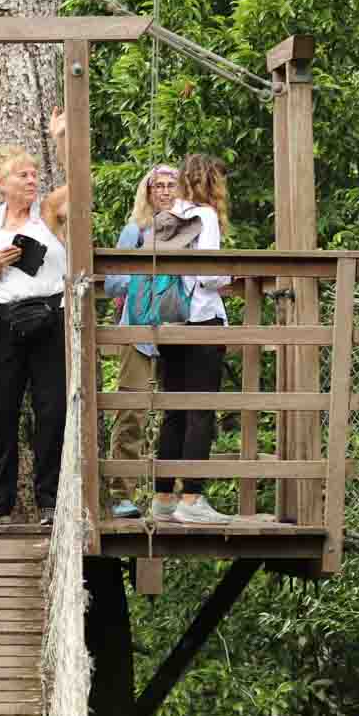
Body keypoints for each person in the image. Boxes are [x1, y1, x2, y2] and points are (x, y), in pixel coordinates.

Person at [0, 109, 70, 526]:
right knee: (1, 408)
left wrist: (61, 138)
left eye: (33, 174)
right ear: (2, 183)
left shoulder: (48, 213)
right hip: (6, 320)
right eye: (22, 175)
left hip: (50, 318)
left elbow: (83, 186)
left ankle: (49, 501)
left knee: (51, 410)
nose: (30, 180)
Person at [154, 152, 232, 524]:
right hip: (201, 319)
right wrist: (230, 277)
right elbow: (208, 276)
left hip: (169, 320)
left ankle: (164, 496)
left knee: (174, 410)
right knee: (200, 411)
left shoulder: (167, 217)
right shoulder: (206, 216)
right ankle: (193, 497)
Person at [102, 164, 178, 520]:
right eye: (157, 186)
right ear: (147, 193)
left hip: (181, 330)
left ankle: (175, 496)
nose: (164, 191)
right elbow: (111, 283)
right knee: (131, 411)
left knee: (180, 412)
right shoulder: (135, 230)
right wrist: (144, 275)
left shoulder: (189, 230)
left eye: (171, 185)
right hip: (139, 331)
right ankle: (121, 493)